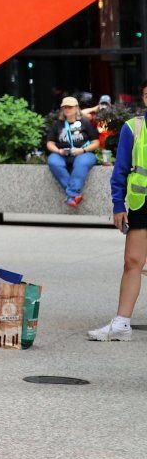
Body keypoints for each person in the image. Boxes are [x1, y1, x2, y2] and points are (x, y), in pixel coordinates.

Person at [91, 104, 147, 341]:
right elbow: (121, 169)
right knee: (132, 261)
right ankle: (121, 324)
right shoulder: (134, 127)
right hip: (142, 202)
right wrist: (117, 205)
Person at [44, 95, 99, 208]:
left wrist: (82, 150)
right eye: (65, 107)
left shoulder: (85, 122)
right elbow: (50, 143)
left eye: (70, 107)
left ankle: (71, 194)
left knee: (81, 163)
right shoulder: (57, 124)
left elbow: (96, 142)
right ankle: (74, 194)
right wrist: (58, 151)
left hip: (83, 153)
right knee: (53, 161)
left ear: (76, 108)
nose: (67, 109)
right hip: (63, 153)